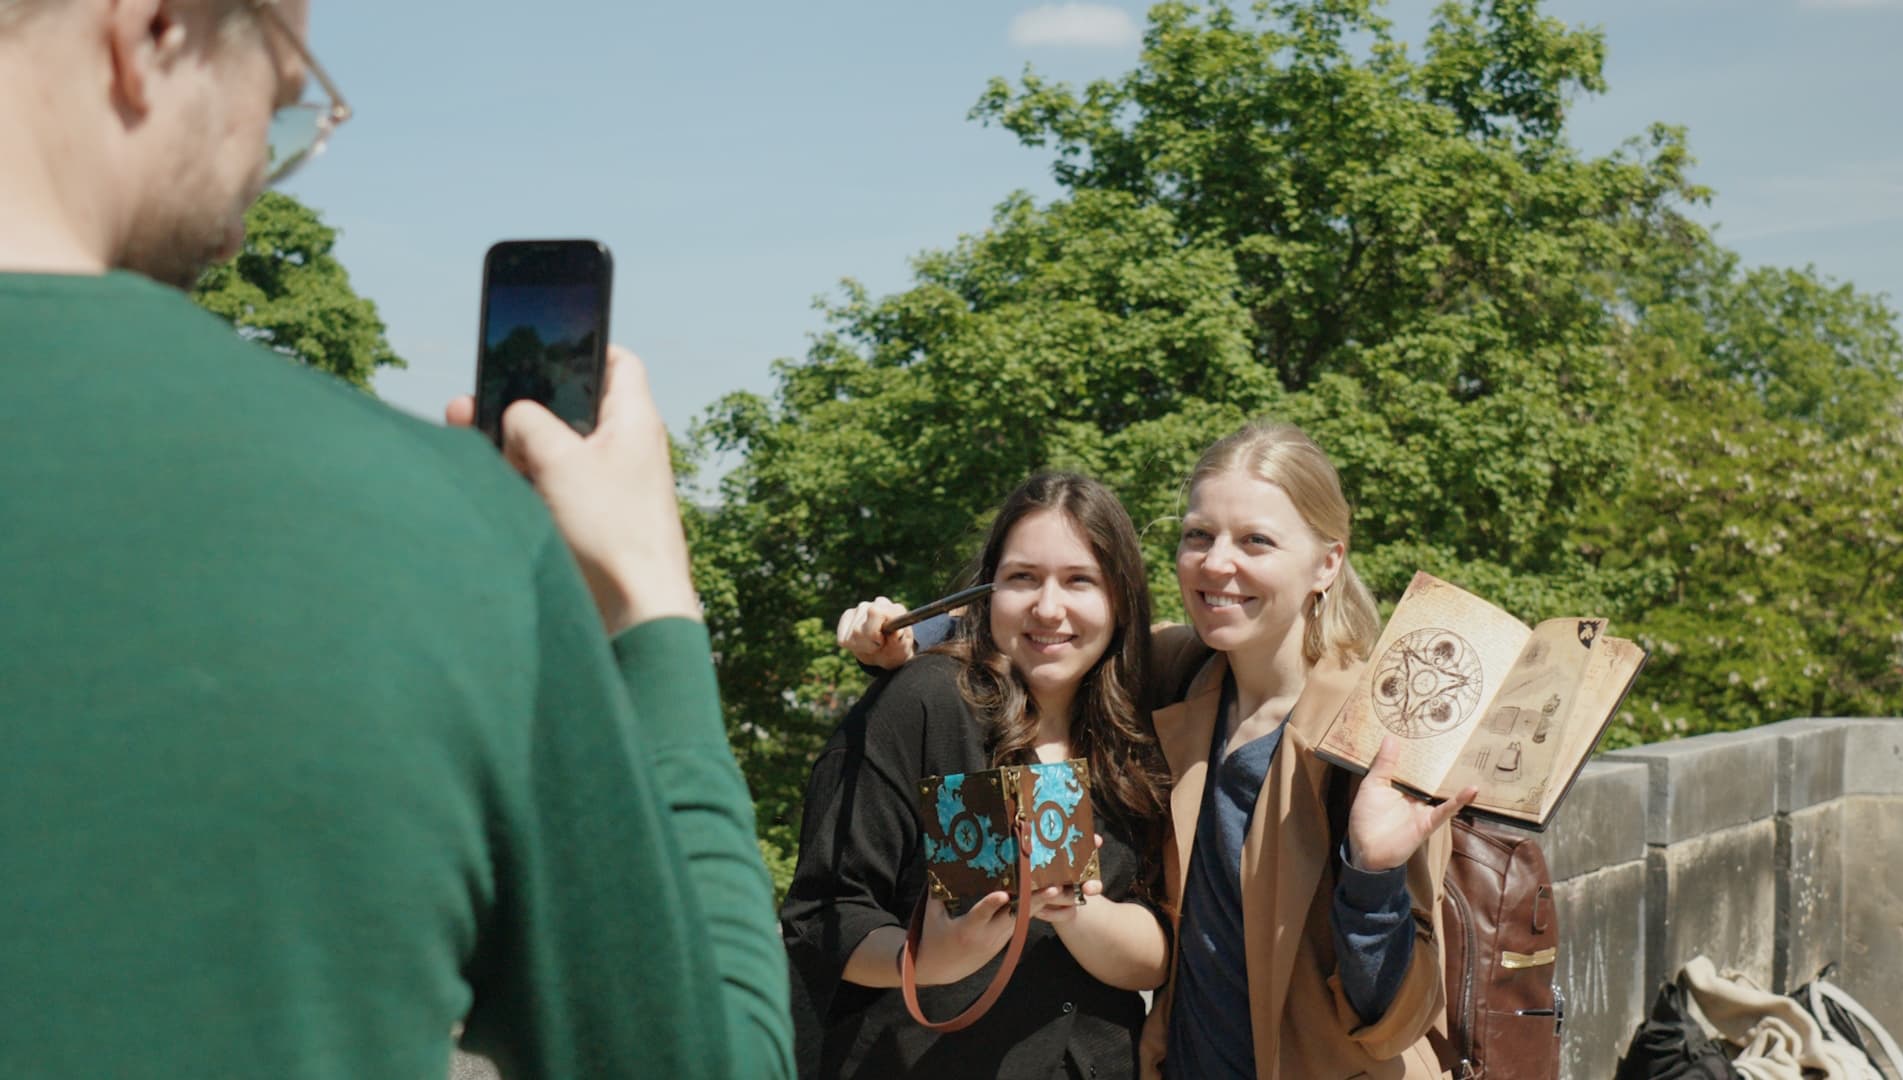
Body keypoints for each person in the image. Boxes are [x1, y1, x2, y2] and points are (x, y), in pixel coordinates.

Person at [0, 1, 790, 1077]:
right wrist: (649, 598)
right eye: (276, 113)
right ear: (153, 35)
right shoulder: (446, 529)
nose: (245, 216)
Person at [841, 422, 1473, 1079]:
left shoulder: (1379, 732)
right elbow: (1059, 621)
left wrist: (1372, 875)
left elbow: (1396, 1016)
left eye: (1256, 540)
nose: (1216, 563)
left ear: (1328, 563)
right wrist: (915, 634)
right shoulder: (1177, 675)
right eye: (1198, 535)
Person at [782, 472, 1174, 1079]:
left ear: (1120, 598)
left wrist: (1075, 913)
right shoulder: (925, 701)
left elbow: (1161, 954)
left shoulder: (1142, 731)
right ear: (986, 592)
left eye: (1080, 580)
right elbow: (821, 917)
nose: (1049, 607)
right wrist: (927, 958)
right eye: (1022, 578)